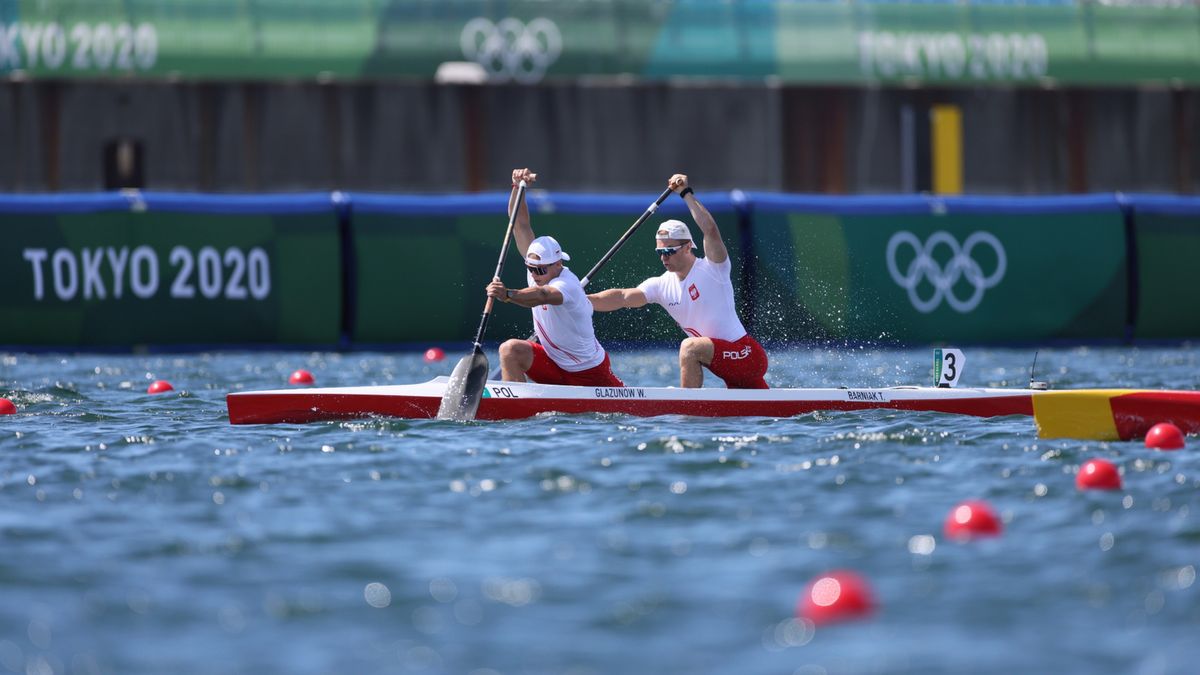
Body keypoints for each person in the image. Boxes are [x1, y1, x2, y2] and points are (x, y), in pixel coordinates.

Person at [588, 174, 769, 389]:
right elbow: (622, 297)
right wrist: (579, 300)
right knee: (763, 416)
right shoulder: (661, 285)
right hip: (724, 364)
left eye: (669, 251)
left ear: (687, 247)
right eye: (660, 252)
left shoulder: (713, 268)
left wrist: (685, 193)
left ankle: (685, 415)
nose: (664, 257)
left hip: (746, 354)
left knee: (689, 348)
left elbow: (710, 231)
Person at [485, 168, 625, 387]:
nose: (534, 274)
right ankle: (515, 407)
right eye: (530, 268)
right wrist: (516, 187)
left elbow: (542, 295)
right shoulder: (537, 268)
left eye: (539, 270)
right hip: (553, 364)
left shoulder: (567, 284)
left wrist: (507, 294)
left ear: (558, 264)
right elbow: (519, 224)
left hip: (588, 371)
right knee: (510, 349)